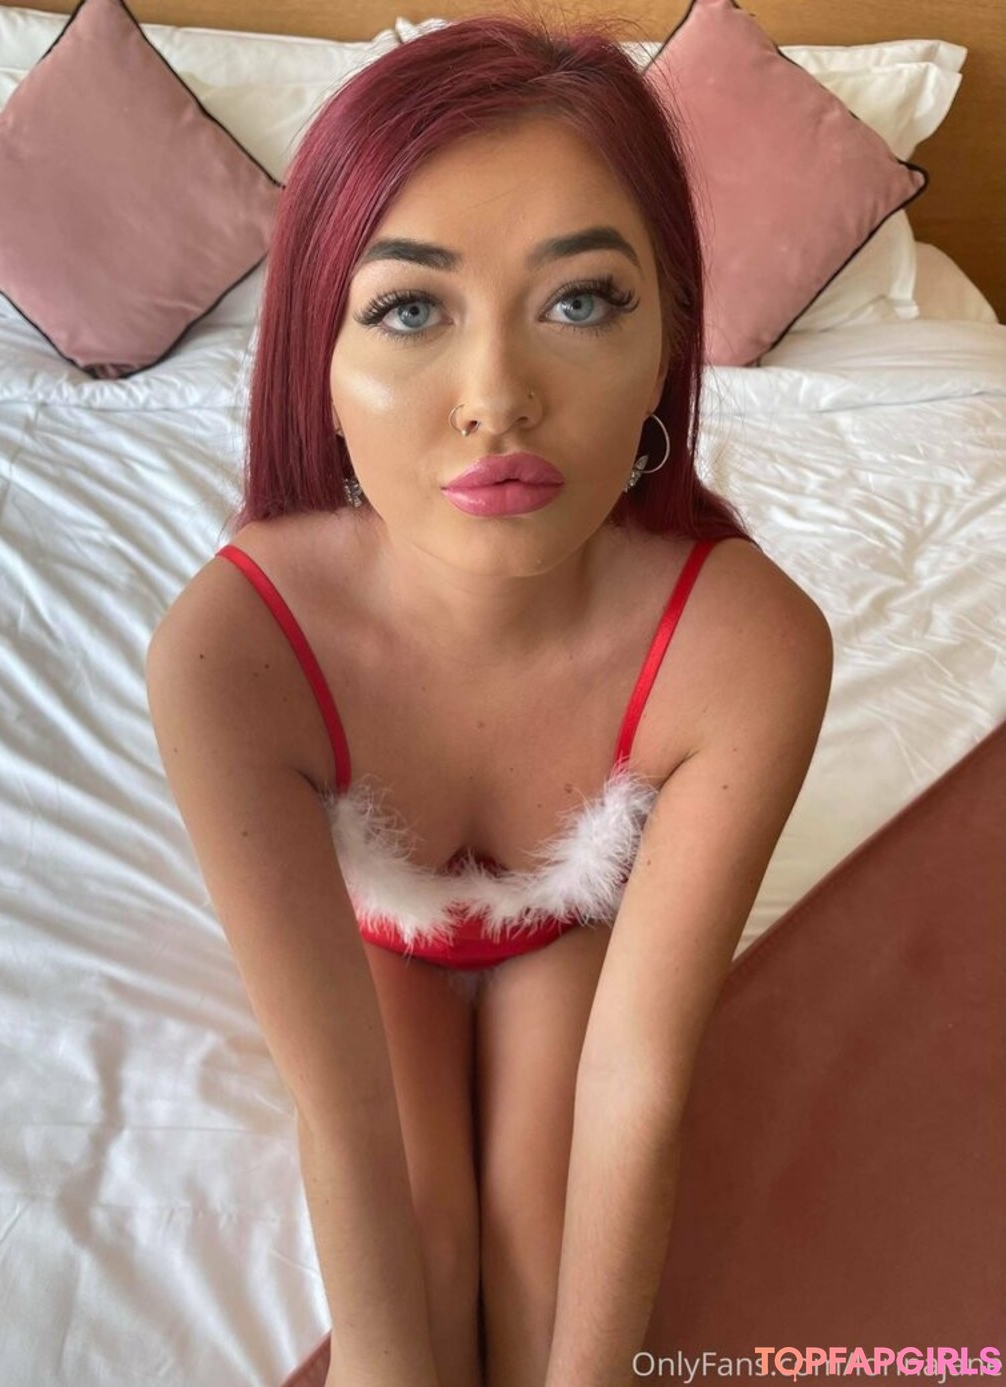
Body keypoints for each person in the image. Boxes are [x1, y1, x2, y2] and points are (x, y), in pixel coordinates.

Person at [145, 12, 833, 1387]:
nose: (498, 399)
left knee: (539, 1239)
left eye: (581, 302)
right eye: (410, 309)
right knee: (422, 1234)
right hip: (377, 949)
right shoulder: (233, 653)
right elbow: (336, 1115)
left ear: (671, 338)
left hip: (568, 936)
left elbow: (640, 1080)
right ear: (318, 359)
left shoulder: (746, 644)